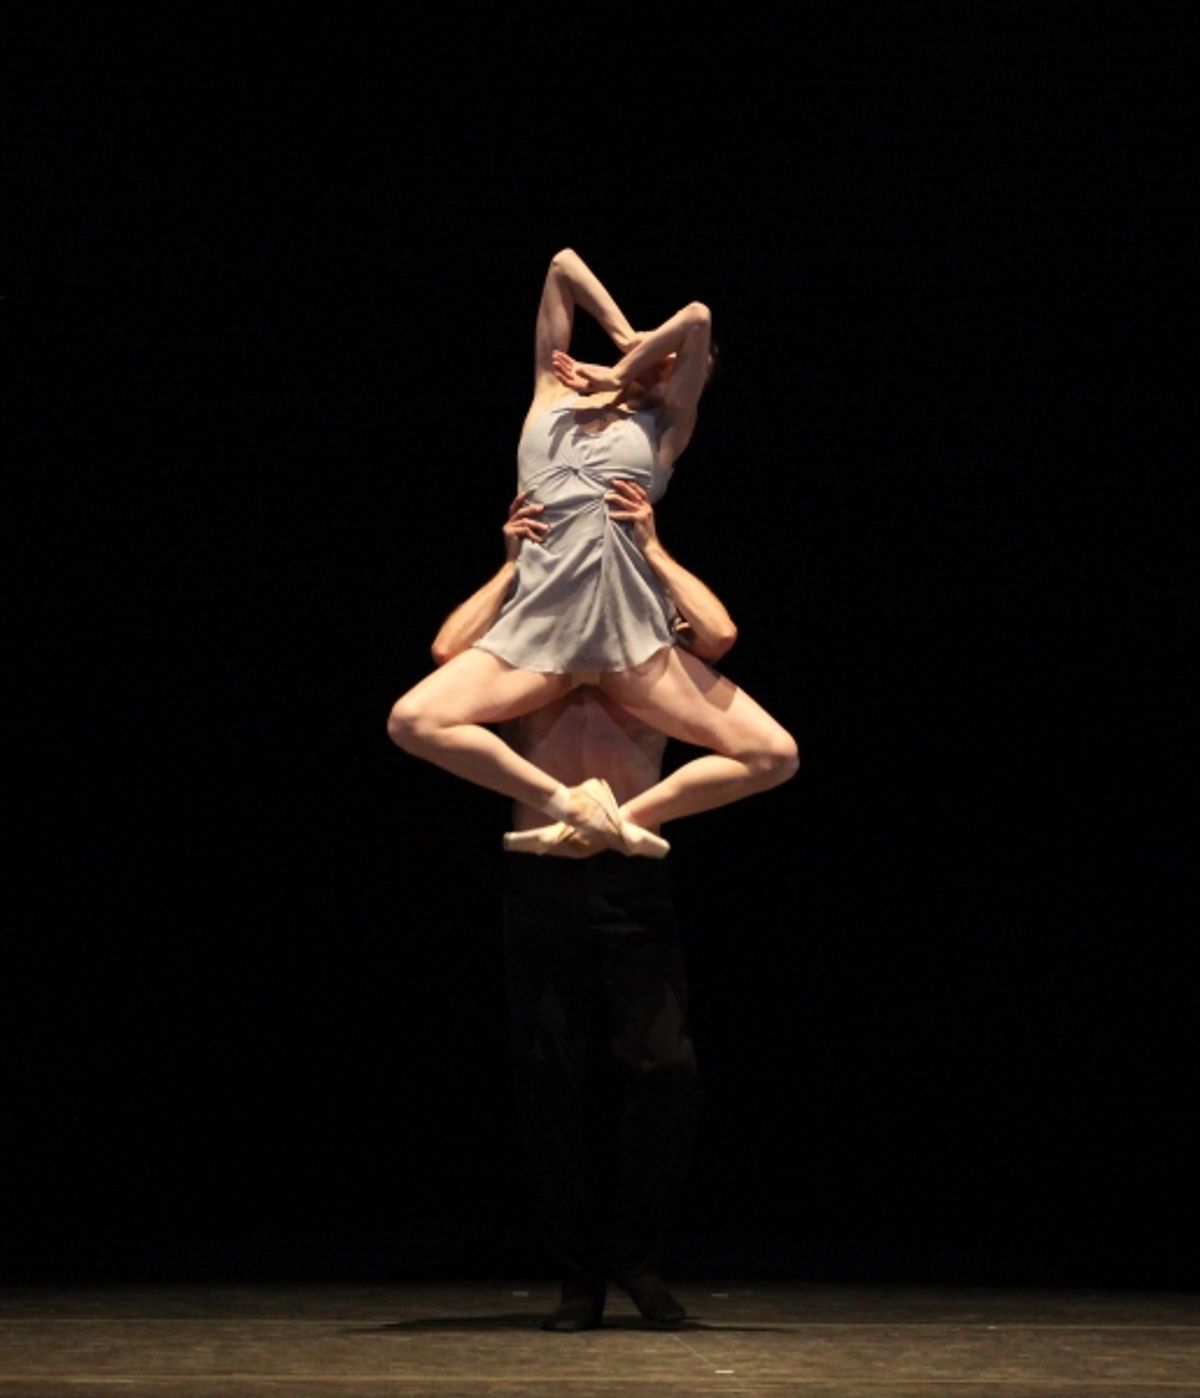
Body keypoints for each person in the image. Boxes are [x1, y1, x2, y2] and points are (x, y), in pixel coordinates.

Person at [429, 489, 742, 1331]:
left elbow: (718, 634)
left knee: (666, 1069)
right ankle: (578, 1278)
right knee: (550, 1076)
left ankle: (636, 1256)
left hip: (631, 874)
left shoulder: (649, 649)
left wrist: (653, 548)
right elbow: (445, 650)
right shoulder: (528, 645)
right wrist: (511, 566)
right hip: (541, 872)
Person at [387, 249, 798, 851]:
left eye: (676, 366)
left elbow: (697, 317)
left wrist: (625, 365)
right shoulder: (550, 391)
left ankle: (624, 821)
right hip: (540, 630)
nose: (664, 367)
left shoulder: (662, 430)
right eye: (662, 357)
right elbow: (562, 267)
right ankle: (569, 806)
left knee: (774, 754)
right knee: (412, 721)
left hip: (629, 634)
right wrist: (629, 341)